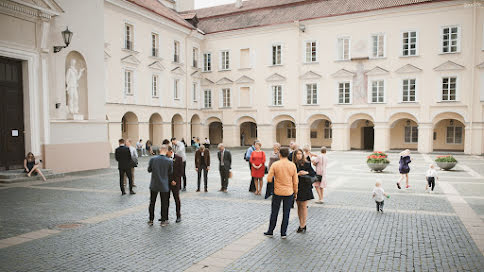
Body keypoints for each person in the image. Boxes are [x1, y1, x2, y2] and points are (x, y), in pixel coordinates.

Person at [264, 147, 298, 239]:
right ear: (288, 155)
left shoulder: (275, 164)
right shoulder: (292, 165)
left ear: (280, 154)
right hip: (289, 192)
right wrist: (295, 192)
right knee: (286, 213)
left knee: (274, 212)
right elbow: (295, 181)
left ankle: (270, 231)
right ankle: (283, 233)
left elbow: (269, 178)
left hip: (277, 191)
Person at [147, 145, 173, 226]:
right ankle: (163, 220)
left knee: (152, 202)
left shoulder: (153, 159)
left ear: (159, 150)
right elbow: (170, 173)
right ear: (166, 151)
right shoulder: (169, 161)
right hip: (164, 184)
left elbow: (149, 170)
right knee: (164, 203)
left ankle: (151, 219)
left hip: (154, 183)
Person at [292, 149, 316, 233]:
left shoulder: (307, 163)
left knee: (304, 206)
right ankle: (300, 223)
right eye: (297, 154)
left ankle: (303, 224)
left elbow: (313, 173)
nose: (299, 155)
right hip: (297, 187)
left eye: (300, 154)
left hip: (305, 187)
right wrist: (298, 174)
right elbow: (290, 175)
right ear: (294, 155)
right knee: (298, 206)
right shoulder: (292, 164)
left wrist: (306, 172)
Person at [167, 146, 183, 223]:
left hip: (176, 182)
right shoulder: (165, 158)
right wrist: (170, 180)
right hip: (167, 182)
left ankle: (178, 215)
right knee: (166, 199)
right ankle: (165, 216)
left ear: (171, 151)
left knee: (176, 199)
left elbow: (180, 171)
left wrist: (174, 180)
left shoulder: (179, 158)